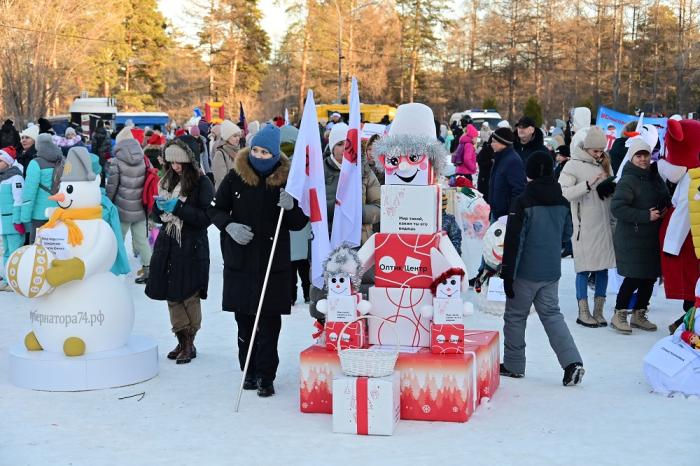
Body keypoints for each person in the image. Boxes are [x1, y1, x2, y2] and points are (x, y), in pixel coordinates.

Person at [208, 124, 308, 397]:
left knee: (269, 324)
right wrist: (229, 226)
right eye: (256, 150)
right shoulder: (235, 178)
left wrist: (292, 208)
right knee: (245, 321)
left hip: (273, 264)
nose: (259, 156)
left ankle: (266, 374)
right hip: (241, 262)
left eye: (265, 152)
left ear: (275, 155)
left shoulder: (288, 182)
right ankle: (248, 371)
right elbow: (216, 210)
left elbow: (299, 223)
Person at [500, 151, 584, 386]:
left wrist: (508, 274)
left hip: (525, 272)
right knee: (552, 315)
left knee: (515, 316)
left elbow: (515, 241)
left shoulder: (523, 201)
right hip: (551, 272)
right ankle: (572, 362)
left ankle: (514, 365)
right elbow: (567, 235)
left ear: (529, 173)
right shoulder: (562, 200)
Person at [145, 139, 215, 364]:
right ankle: (181, 339)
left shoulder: (202, 183)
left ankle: (189, 342)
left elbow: (206, 218)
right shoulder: (166, 180)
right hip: (168, 243)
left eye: (179, 162)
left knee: (189, 295)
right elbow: (157, 216)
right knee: (172, 294)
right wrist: (159, 208)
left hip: (191, 245)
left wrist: (179, 208)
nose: (175, 166)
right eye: (171, 161)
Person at [610, 139, 671, 334]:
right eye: (639, 155)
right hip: (632, 237)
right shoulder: (628, 179)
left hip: (651, 236)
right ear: (632, 157)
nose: (643, 159)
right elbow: (617, 208)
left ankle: (639, 313)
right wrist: (645, 215)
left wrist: (662, 210)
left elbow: (665, 198)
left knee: (649, 277)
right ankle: (619, 314)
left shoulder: (653, 176)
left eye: (646, 155)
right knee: (634, 277)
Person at [558, 127, 616, 328]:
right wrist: (587, 186)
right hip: (584, 226)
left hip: (604, 224)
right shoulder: (572, 165)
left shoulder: (606, 164)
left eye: (601, 151)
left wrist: (611, 190)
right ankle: (583, 312)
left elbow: (611, 193)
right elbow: (562, 193)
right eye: (595, 151)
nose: (599, 155)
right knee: (583, 269)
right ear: (586, 148)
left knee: (603, 269)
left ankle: (599, 311)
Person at [106, 126, 152, 284]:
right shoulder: (144, 158)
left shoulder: (116, 161)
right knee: (142, 240)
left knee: (118, 239)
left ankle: (113, 269)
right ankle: (149, 270)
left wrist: (109, 202)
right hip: (141, 208)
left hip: (122, 209)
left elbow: (112, 186)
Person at [20, 133, 60, 242]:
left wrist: (25, 217)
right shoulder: (62, 161)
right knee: (57, 247)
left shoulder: (35, 163)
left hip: (39, 214)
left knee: (38, 250)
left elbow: (29, 192)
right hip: (59, 213)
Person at [0, 147, 25, 291]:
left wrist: (17, 220)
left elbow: (19, 200)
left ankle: (15, 279)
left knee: (15, 251)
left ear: (8, 162)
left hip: (12, 222)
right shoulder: (1, 177)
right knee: (6, 251)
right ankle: (6, 277)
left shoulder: (16, 177)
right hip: (2, 223)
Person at [487, 127, 526, 220]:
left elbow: (518, 189)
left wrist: (512, 213)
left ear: (503, 143)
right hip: (496, 211)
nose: (491, 144)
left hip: (505, 214)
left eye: (494, 142)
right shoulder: (500, 158)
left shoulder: (512, 161)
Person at [211, 119, 242, 191]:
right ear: (227, 137)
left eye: (238, 136)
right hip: (226, 194)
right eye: (234, 136)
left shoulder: (239, 151)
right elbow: (221, 180)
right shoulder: (220, 154)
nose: (238, 138)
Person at [476, 135, 494, 202]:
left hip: (487, 177)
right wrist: (491, 162)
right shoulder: (485, 150)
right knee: (485, 195)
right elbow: (480, 162)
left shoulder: (493, 150)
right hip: (485, 177)